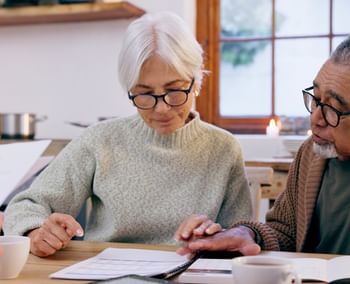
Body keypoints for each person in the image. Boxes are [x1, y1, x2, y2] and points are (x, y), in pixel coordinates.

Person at [3, 11, 252, 257]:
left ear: (195, 83)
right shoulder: (100, 140)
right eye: (144, 94)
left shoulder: (223, 147)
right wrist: (36, 231)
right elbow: (26, 206)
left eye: (175, 91)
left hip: (189, 272)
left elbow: (241, 235)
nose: (162, 108)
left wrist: (220, 238)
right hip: (106, 271)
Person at [176, 32, 350, 258]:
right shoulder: (310, 154)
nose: (315, 119)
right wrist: (246, 234)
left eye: (333, 108)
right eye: (316, 99)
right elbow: (284, 232)